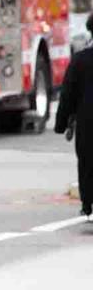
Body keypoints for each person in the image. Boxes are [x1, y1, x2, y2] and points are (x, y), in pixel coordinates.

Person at [55, 12, 93, 221]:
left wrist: (62, 123)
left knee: (87, 162)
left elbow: (67, 94)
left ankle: (88, 204)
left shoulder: (80, 61)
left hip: (88, 123)